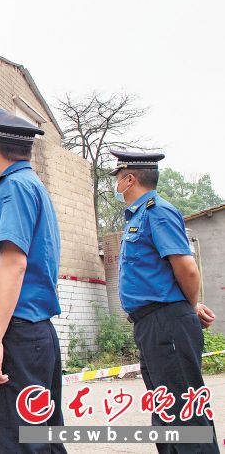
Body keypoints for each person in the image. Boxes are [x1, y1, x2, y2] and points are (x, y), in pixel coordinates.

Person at [0, 106, 66, 453]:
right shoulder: (31, 185)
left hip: (17, 336)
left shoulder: (12, 189)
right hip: (31, 334)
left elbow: (13, 264)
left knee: (21, 442)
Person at [111, 149, 218, 453]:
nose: (116, 186)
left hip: (166, 322)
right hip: (152, 324)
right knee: (166, 411)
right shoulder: (140, 215)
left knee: (185, 414)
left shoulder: (158, 211)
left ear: (130, 178)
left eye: (118, 179)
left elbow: (187, 268)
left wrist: (189, 305)